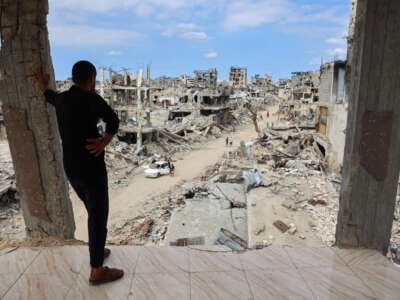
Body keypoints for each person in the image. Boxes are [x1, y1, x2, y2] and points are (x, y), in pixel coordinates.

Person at [36, 61, 123, 285]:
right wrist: (104, 142)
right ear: (92, 78)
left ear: (74, 78)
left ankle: (97, 249)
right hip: (91, 168)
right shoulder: (91, 99)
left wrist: (43, 85)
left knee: (92, 211)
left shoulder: (63, 99)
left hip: (71, 169)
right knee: (98, 215)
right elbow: (113, 120)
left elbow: (50, 97)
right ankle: (97, 271)